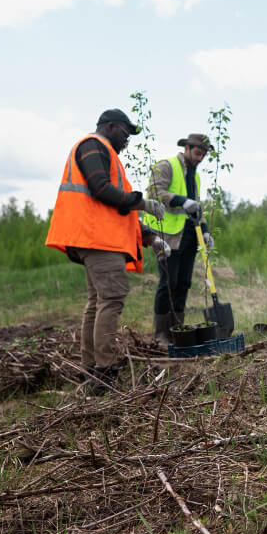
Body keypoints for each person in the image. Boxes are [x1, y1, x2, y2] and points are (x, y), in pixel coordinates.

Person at [45, 108, 170, 390]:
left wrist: (149, 236)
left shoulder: (107, 156)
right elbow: (101, 189)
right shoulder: (93, 146)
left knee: (98, 303)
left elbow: (116, 210)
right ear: (111, 126)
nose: (127, 140)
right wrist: (141, 201)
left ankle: (91, 371)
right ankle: (104, 372)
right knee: (111, 300)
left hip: (95, 237)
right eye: (125, 133)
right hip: (96, 239)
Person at [141, 133, 215, 345]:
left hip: (190, 235)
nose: (200, 158)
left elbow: (196, 207)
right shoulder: (166, 166)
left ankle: (177, 331)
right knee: (168, 283)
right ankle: (161, 334)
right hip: (168, 235)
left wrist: (205, 229)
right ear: (187, 148)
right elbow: (154, 192)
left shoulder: (196, 176)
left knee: (183, 284)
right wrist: (181, 200)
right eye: (197, 153)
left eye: (203, 155)